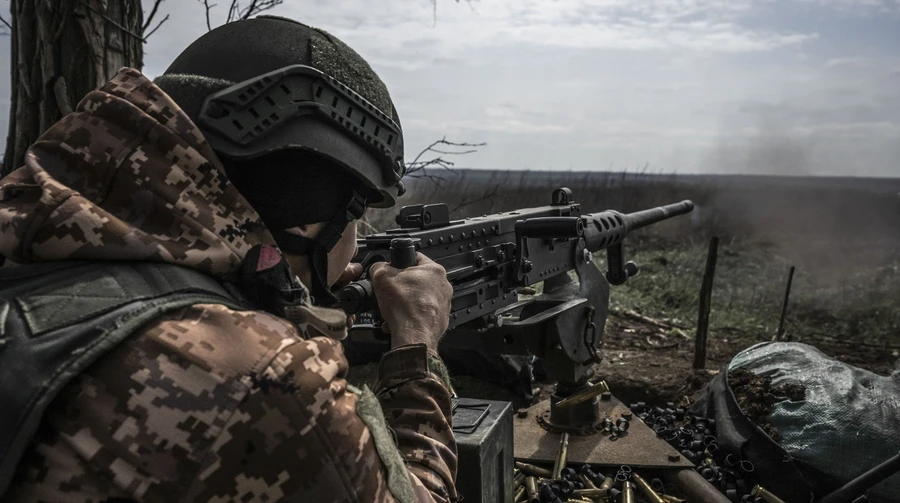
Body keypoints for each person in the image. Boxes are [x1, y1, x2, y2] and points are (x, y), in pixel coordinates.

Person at [0, 15, 458, 503]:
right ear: (310, 216)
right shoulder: (264, 376)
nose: (359, 238)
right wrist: (418, 343)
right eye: (357, 218)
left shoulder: (29, 233)